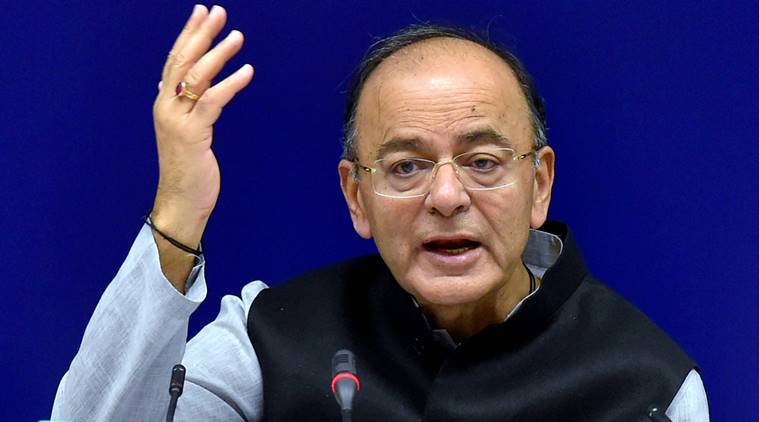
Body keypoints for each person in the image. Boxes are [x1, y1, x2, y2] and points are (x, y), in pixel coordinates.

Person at [51, 5, 709, 421]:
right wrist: (178, 212)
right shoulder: (268, 336)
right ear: (354, 197)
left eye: (482, 162)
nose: (446, 198)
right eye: (404, 167)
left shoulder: (648, 383)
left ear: (538, 184)